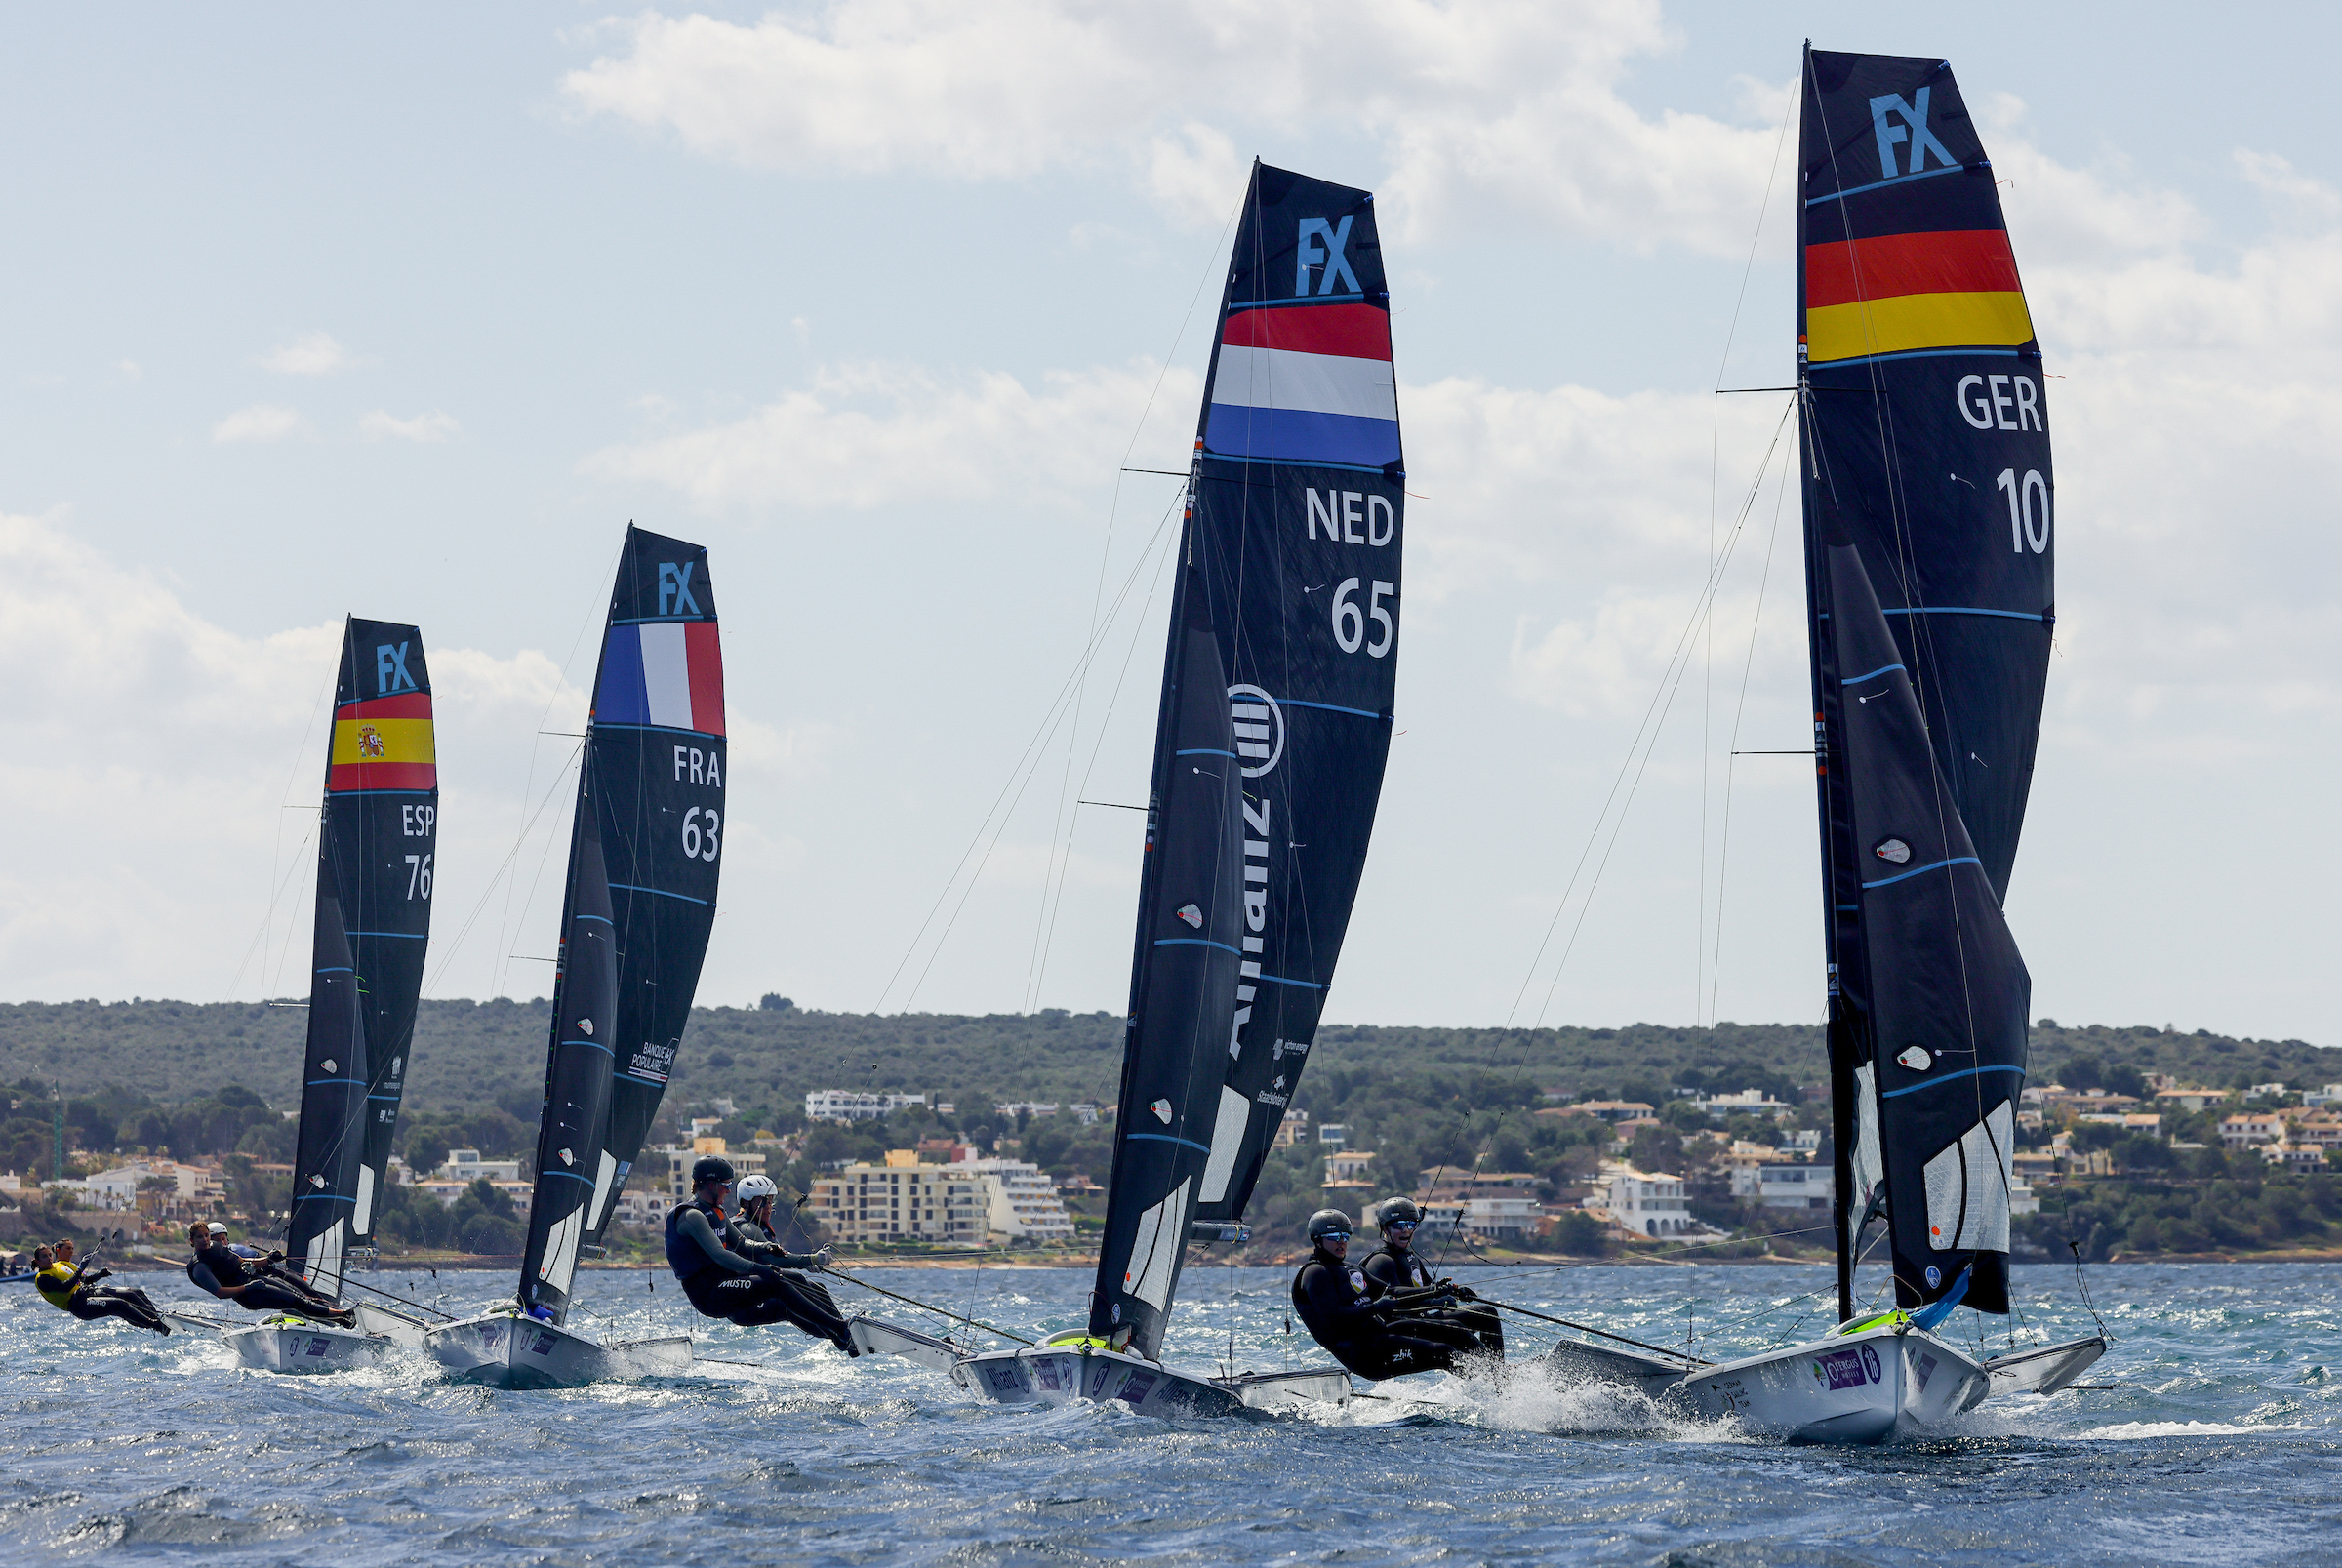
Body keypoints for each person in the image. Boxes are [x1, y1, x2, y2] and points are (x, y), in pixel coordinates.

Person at [665, 1157, 857, 1354]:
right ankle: (840, 1328)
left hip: (724, 1281)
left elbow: (742, 1243)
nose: (729, 1190)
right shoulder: (691, 1216)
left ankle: (842, 1336)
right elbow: (719, 1254)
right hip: (708, 1292)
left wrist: (766, 1247)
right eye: (726, 1185)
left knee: (793, 1278)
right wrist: (760, 1269)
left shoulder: (717, 1211)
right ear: (711, 1185)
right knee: (773, 1279)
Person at [1289, 1209, 1492, 1381]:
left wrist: (1434, 1290)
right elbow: (1334, 1318)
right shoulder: (1314, 1273)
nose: (1341, 1242)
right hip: (1363, 1353)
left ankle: (1499, 1377)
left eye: (1345, 1236)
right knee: (1442, 1353)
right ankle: (1491, 1388)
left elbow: (1391, 1291)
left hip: (1379, 1332)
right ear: (1317, 1240)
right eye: (1334, 1238)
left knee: (1453, 1329)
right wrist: (1375, 1308)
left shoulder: (1350, 1268)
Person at [1357, 1198, 1504, 1359]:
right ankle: (1494, 1373)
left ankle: (1498, 1372)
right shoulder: (1381, 1261)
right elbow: (1394, 1301)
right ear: (1385, 1227)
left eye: (1411, 1225)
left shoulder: (1412, 1258)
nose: (1406, 1230)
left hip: (1423, 1320)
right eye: (1399, 1225)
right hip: (1401, 1330)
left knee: (1488, 1314)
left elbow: (1430, 1289)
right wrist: (1434, 1301)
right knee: (1454, 1327)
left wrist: (1455, 1292)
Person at [184, 1222, 355, 1327]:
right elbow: (220, 1293)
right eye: (200, 1237)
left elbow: (243, 1261)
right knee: (296, 1301)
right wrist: (247, 1288)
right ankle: (343, 1315)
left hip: (256, 1281)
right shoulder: (199, 1267)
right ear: (192, 1241)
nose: (205, 1240)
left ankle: (341, 1319)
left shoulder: (216, 1247)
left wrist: (269, 1259)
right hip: (249, 1296)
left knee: (297, 1297)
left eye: (206, 1235)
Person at [33, 1241, 170, 1336]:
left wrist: (99, 1275)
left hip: (87, 1293)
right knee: (119, 1304)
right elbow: (65, 1287)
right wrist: (80, 1268)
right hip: (79, 1305)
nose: (49, 1258)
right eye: (44, 1257)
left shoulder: (60, 1266)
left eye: (49, 1255)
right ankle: (155, 1325)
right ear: (38, 1261)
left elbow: (84, 1280)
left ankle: (156, 1317)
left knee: (134, 1293)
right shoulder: (42, 1278)